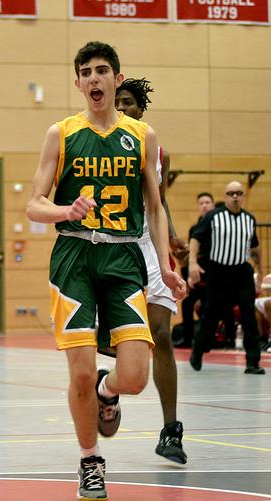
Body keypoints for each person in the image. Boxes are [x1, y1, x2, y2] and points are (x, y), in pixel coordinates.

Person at [26, 41, 185, 501]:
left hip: (123, 258)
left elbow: (154, 208)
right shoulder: (61, 133)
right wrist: (65, 210)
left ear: (117, 79)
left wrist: (165, 265)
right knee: (77, 373)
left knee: (134, 375)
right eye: (86, 72)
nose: (94, 79)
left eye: (102, 71)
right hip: (75, 255)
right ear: (77, 83)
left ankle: (107, 389)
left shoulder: (143, 136)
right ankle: (90, 460)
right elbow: (34, 204)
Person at [113, 77, 188, 464]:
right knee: (113, 340)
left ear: (141, 110)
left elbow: (158, 202)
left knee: (160, 334)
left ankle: (170, 431)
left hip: (151, 247)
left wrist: (172, 237)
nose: (122, 108)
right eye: (117, 102)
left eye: (128, 103)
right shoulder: (99, 143)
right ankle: (109, 389)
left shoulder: (158, 151)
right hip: (115, 248)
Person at [188, 181, 264, 374]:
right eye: (231, 193)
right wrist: (193, 264)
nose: (235, 196)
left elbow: (254, 246)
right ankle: (198, 350)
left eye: (239, 193)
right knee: (211, 316)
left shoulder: (249, 218)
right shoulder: (213, 217)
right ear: (225, 196)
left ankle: (253, 362)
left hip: (242, 273)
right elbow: (196, 238)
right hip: (219, 272)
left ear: (243, 196)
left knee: (249, 317)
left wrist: (260, 271)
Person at [177, 192, 216, 348]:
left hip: (214, 275)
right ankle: (188, 338)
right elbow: (193, 254)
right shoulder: (195, 228)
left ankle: (211, 339)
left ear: (213, 205)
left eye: (207, 202)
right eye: (201, 203)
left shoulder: (219, 224)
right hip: (198, 276)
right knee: (187, 304)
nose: (205, 205)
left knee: (209, 304)